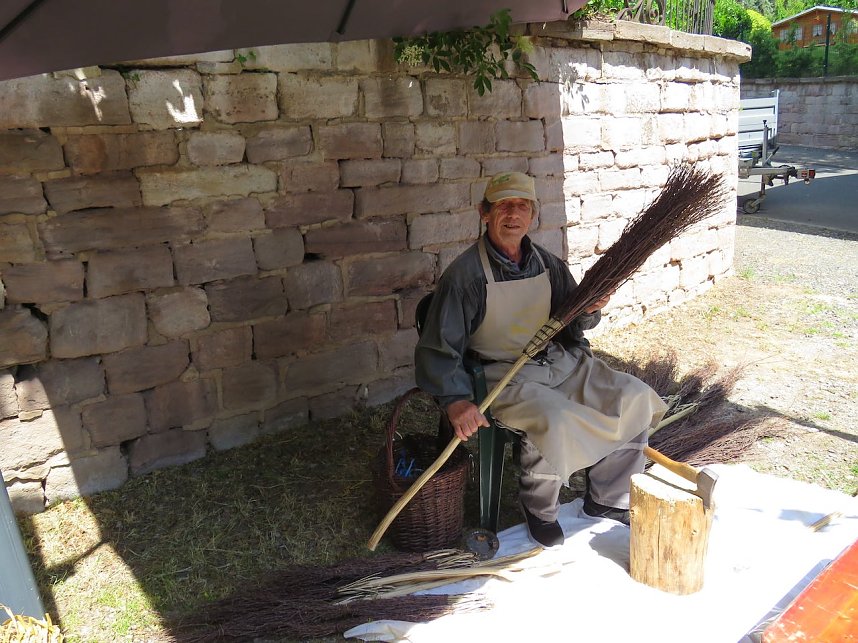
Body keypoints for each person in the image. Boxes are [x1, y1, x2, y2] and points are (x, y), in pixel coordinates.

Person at [414, 171, 668, 548]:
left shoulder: (548, 265)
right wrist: (456, 401)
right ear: (484, 213)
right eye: (503, 206)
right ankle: (540, 510)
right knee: (556, 418)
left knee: (633, 396)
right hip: (504, 374)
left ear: (533, 214)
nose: (512, 215)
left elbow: (573, 322)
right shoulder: (464, 277)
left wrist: (591, 308)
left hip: (557, 361)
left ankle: (607, 498)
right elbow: (439, 348)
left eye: (521, 206)